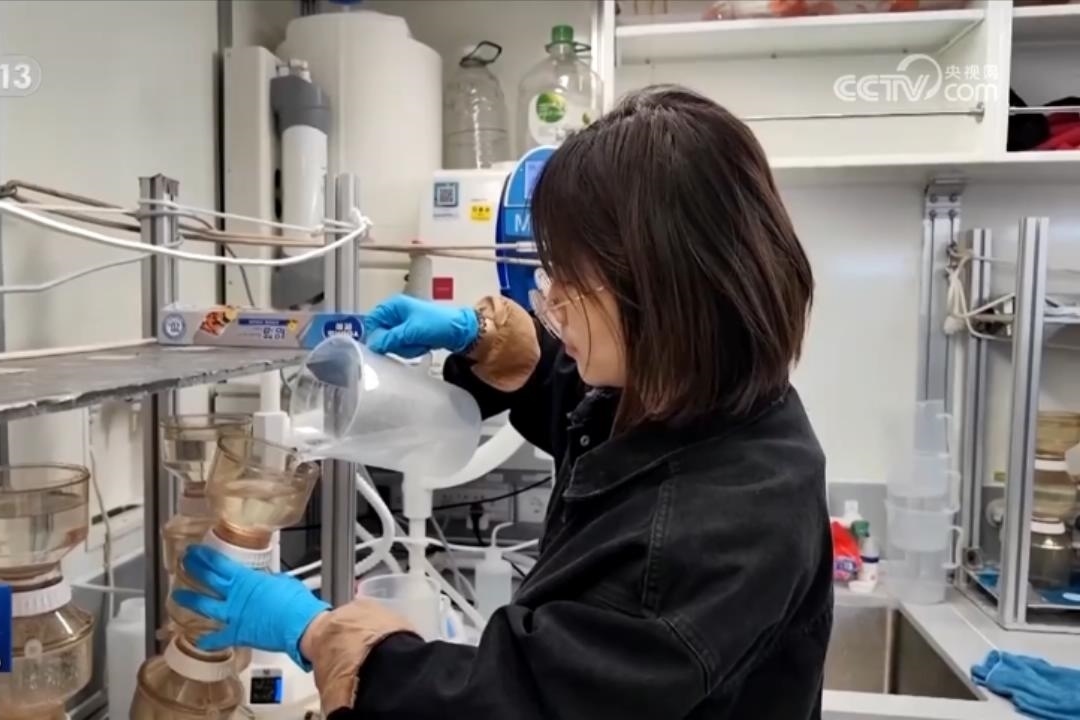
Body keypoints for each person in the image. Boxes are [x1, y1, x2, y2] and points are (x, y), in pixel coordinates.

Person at [173, 85, 832, 719]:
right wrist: (489, 340)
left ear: (657, 284)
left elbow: (523, 703)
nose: (551, 296)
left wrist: (325, 638)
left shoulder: (710, 532)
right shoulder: (712, 407)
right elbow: (593, 420)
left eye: (571, 275)